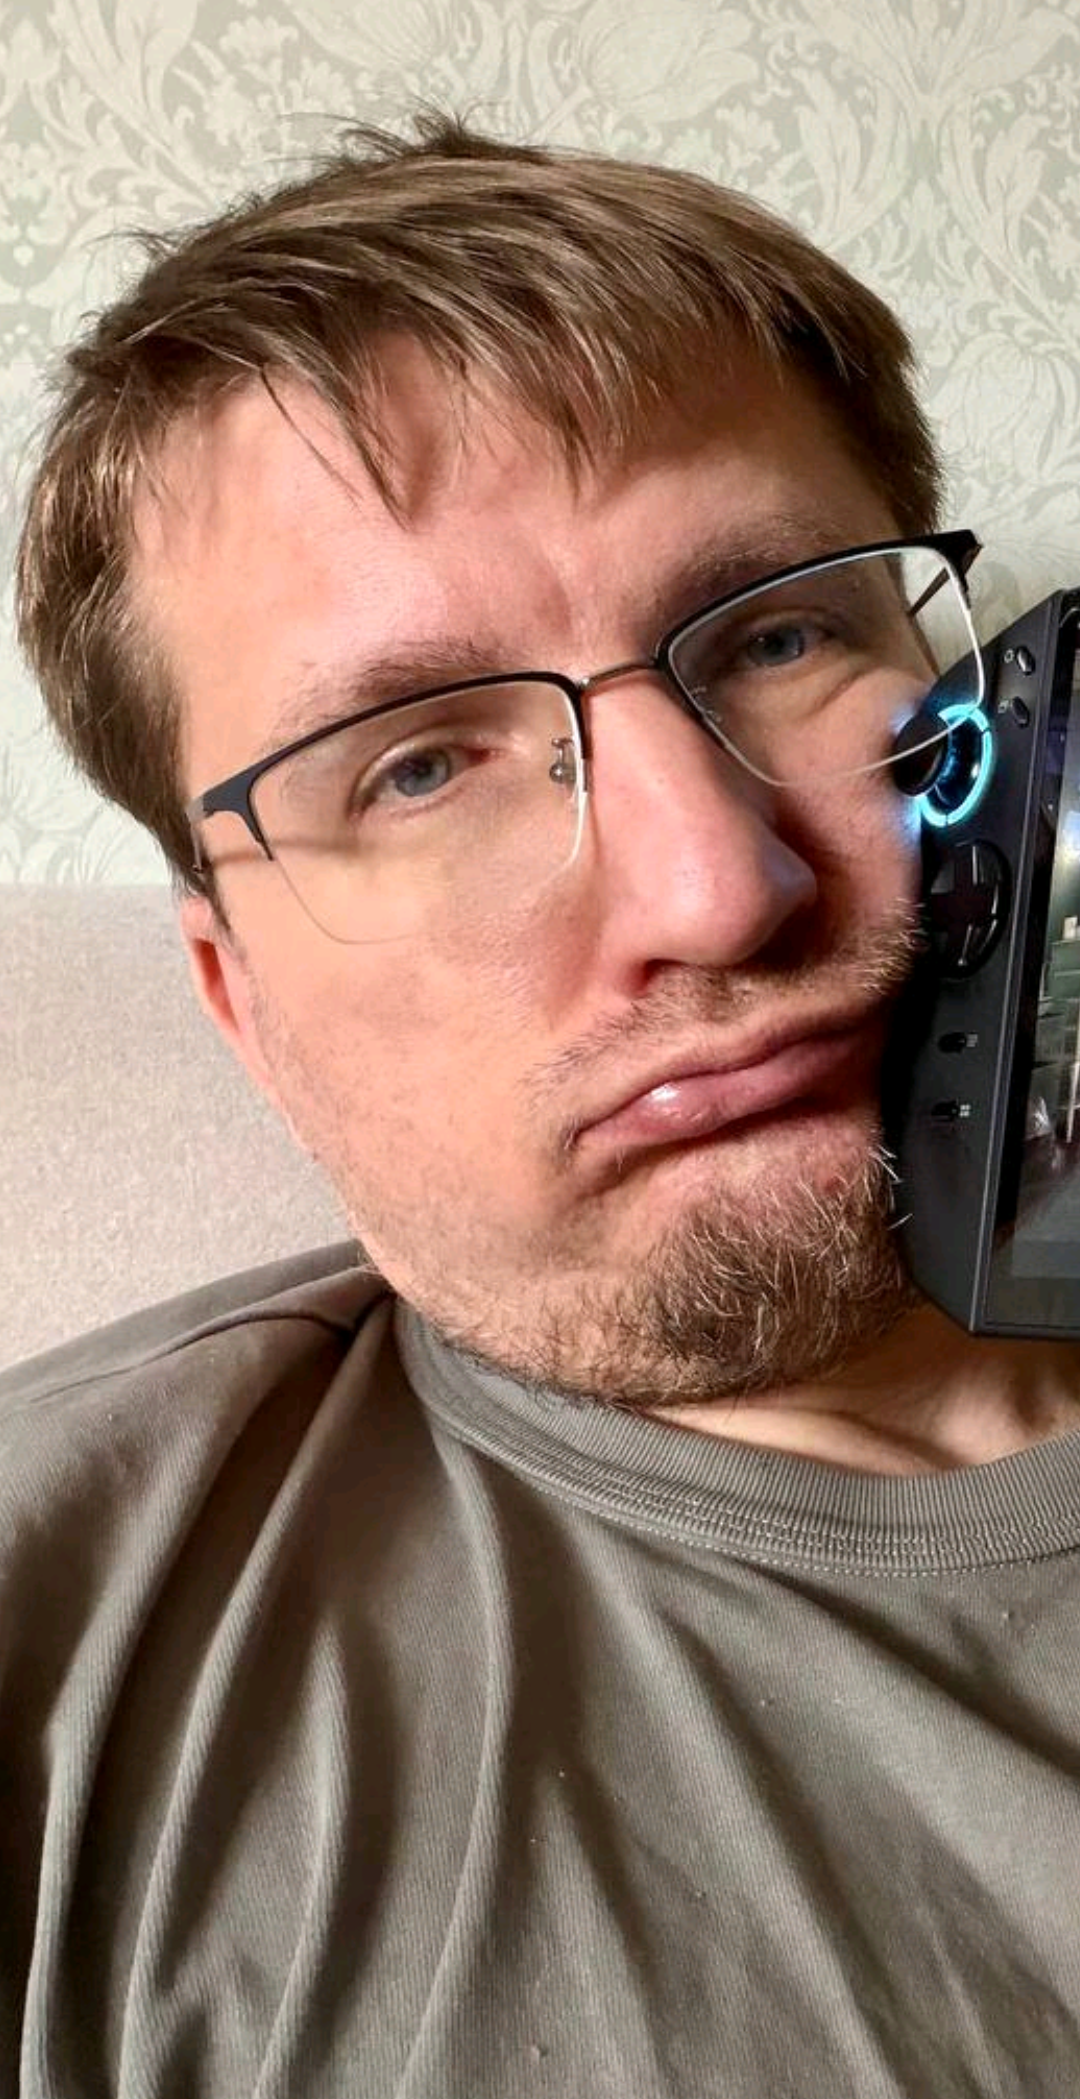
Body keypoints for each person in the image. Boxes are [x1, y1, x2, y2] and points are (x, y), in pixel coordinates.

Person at [5, 112, 1080, 2096]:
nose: (719, 890)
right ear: (241, 1000)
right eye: (419, 765)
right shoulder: (55, 1644)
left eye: (781, 633)